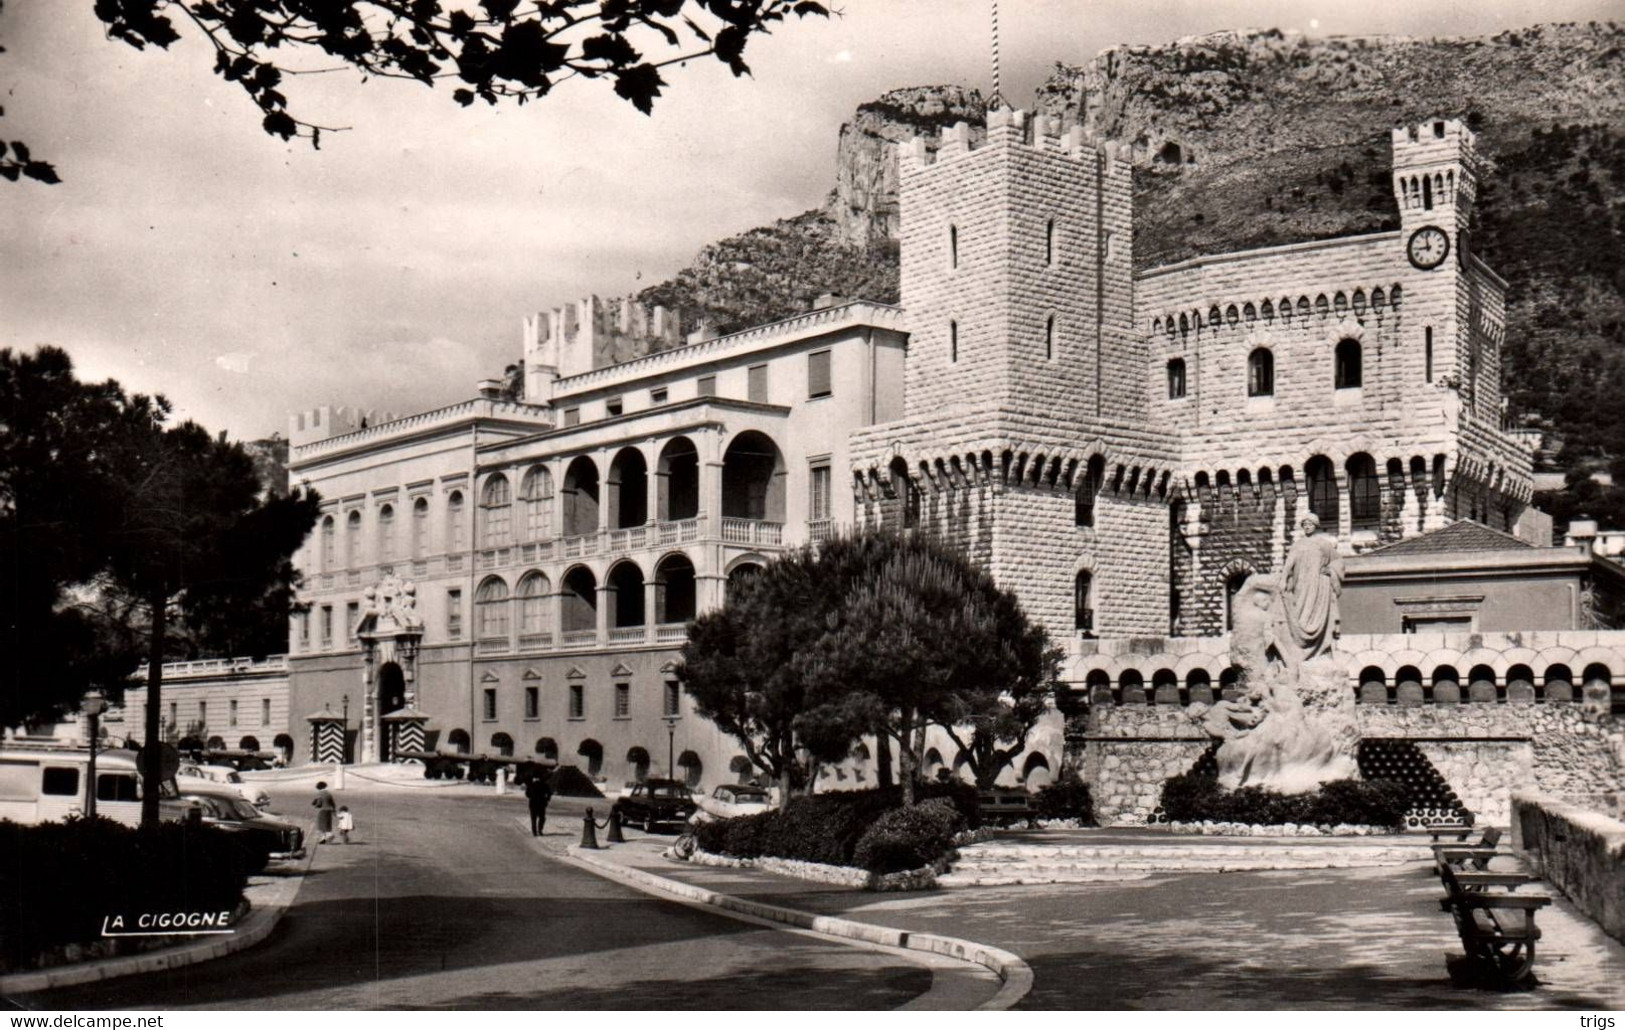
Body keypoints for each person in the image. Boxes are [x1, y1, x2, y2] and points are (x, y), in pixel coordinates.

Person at [1277, 512, 1345, 664]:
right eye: (1305, 524)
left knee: (1317, 614)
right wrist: (1283, 579)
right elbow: (1289, 564)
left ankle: (1320, 651)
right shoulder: (1297, 545)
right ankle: (1299, 650)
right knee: (1300, 614)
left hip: (1318, 587)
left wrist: (1330, 571)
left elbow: (1338, 561)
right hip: (1301, 585)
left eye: (1310, 524)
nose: (1307, 527)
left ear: (1316, 526)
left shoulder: (1324, 544)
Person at [525, 767, 553, 836]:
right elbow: (549, 793)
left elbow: (527, 794)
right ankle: (540, 830)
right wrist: (547, 799)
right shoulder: (544, 784)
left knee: (533, 818)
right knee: (542, 817)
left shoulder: (531, 784)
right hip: (541, 803)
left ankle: (534, 832)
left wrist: (531, 797)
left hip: (533, 803)